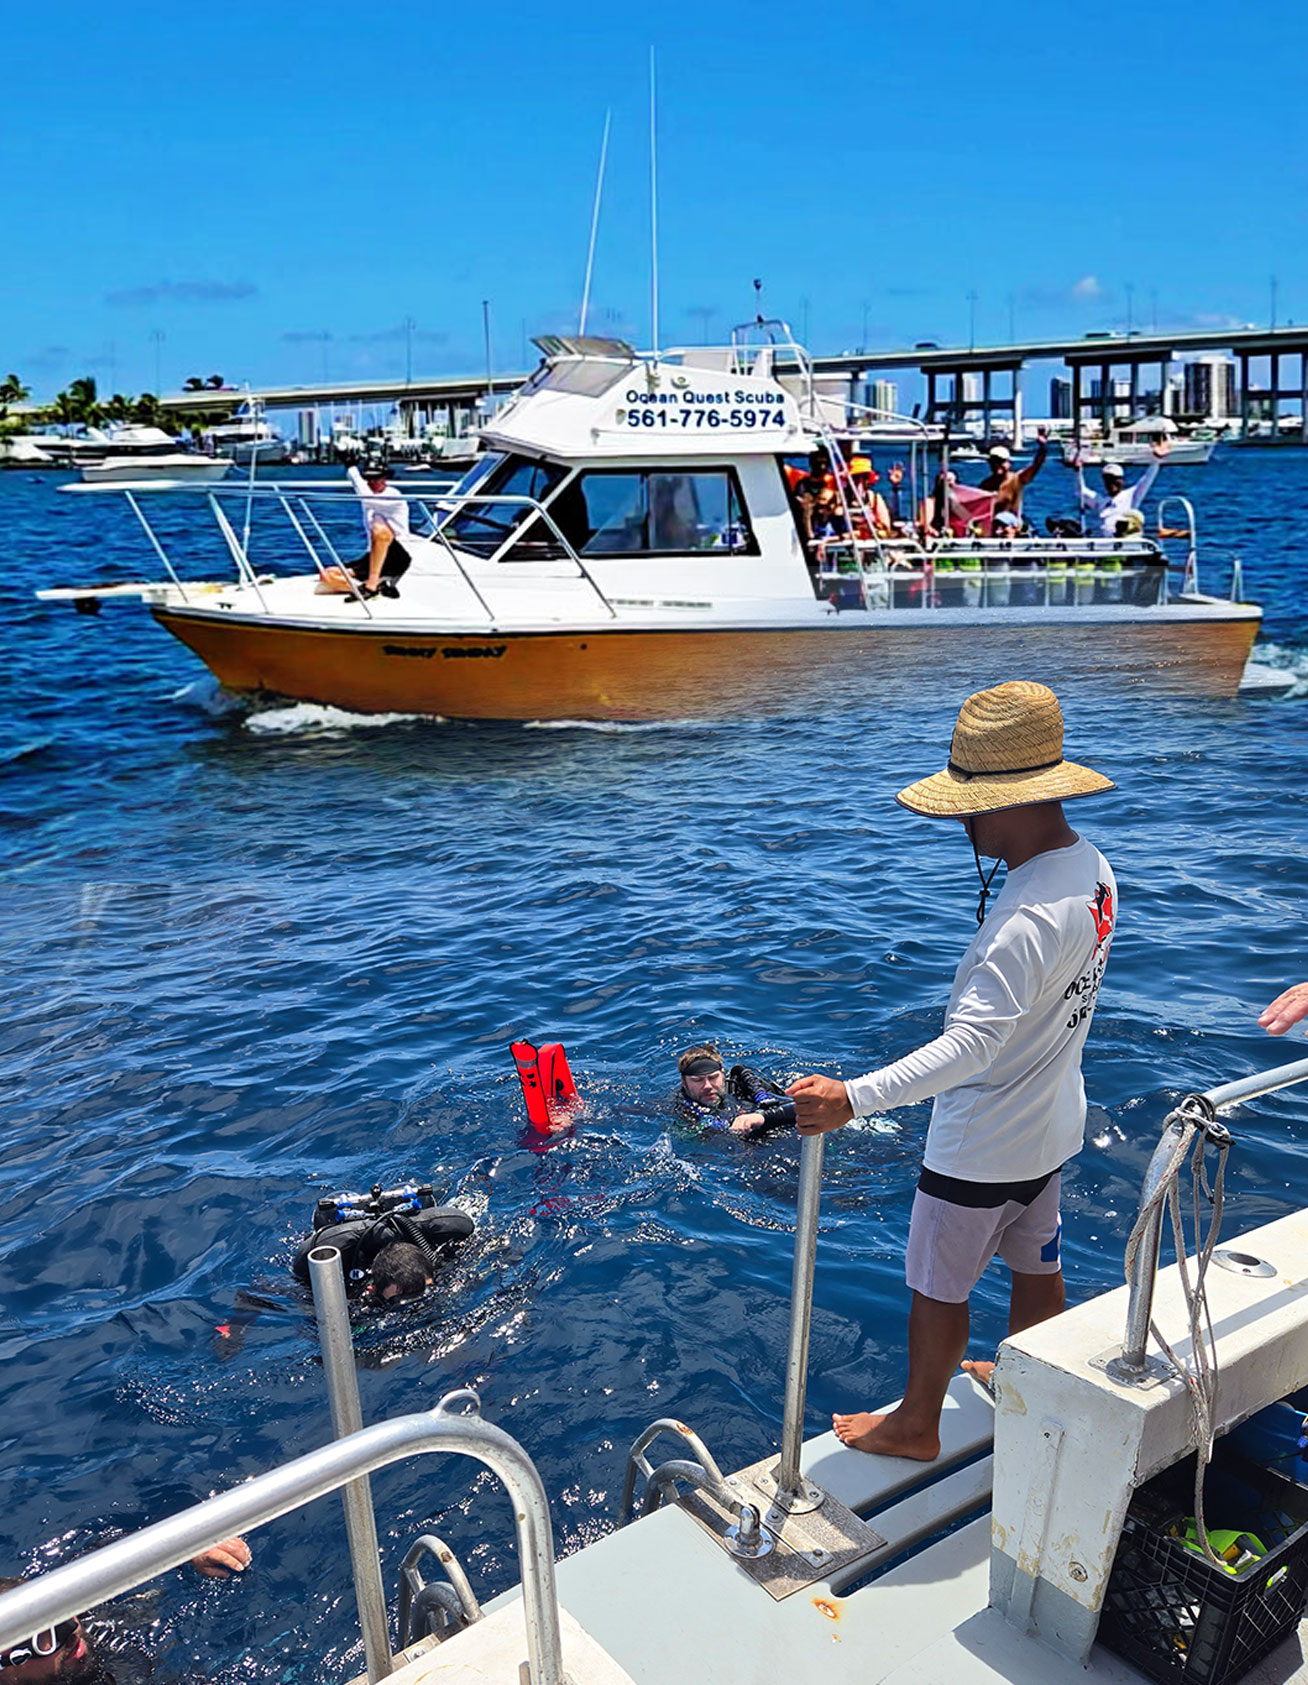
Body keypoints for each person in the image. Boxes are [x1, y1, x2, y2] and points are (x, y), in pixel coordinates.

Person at [788, 680, 1118, 1461]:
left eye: (970, 809)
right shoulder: (1094, 869)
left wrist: (853, 1097)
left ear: (1010, 801)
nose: (963, 824)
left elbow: (971, 1047)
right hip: (1050, 1128)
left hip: (979, 1147)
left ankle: (916, 1424)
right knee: (1038, 1266)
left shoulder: (1020, 921)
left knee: (938, 1285)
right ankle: (1029, 1385)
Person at [0, 1545, 251, 1681]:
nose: (71, 1629)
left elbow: (132, 1548)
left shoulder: (95, 1627)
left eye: (56, 1610)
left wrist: (189, 1549)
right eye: (39, 1635)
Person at [319, 458, 413, 599]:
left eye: (376, 478)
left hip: (397, 555)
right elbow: (358, 485)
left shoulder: (393, 496)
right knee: (327, 575)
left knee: (379, 529)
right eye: (368, 479)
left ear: (385, 478)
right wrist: (350, 466)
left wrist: (353, 472)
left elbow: (365, 496)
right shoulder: (367, 493)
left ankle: (371, 586)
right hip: (372, 555)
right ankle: (369, 586)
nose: (371, 482)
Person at [1068, 439, 1169, 538]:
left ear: (1121, 480)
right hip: (1104, 542)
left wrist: (1156, 460)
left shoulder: (1131, 495)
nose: (1111, 483)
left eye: (1115, 479)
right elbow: (1080, 491)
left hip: (1123, 541)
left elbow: (1147, 479)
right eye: (1108, 480)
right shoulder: (1100, 501)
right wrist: (1077, 471)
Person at [674, 1047, 772, 1135]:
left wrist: (761, 1117)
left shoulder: (741, 1087)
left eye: (713, 1077)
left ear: (722, 1074)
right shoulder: (676, 1111)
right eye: (697, 1080)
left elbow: (778, 1104)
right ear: (683, 1082)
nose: (707, 1086)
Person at [978, 431, 1048, 526]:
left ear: (1008, 463)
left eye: (1000, 461)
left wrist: (1043, 447)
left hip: (1012, 527)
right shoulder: (986, 485)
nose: (997, 465)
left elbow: (1036, 465)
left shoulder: (1017, 479)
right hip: (993, 527)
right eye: (994, 462)